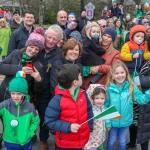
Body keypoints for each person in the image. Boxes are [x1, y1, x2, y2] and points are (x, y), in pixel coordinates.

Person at [45, 64, 93, 150]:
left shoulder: (83, 94)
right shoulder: (57, 100)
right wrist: (68, 127)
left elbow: (89, 110)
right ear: (75, 82)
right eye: (80, 76)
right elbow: (49, 121)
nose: (82, 77)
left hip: (82, 139)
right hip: (65, 143)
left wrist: (90, 127)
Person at [105, 61, 150, 150]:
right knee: (111, 140)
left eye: (122, 72)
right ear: (112, 75)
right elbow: (105, 106)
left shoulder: (131, 87)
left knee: (122, 140)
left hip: (126, 121)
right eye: (116, 73)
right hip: (112, 122)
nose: (120, 75)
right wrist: (107, 122)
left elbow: (141, 100)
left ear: (126, 73)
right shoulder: (108, 88)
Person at [36, 24, 63, 150]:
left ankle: (48, 139)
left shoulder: (59, 53)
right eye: (49, 37)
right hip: (35, 88)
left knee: (47, 116)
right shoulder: (37, 47)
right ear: (45, 36)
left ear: (59, 41)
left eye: (55, 39)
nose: (51, 41)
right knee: (36, 115)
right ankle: (37, 137)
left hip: (50, 90)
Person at [0, 27, 44, 102]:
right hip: (3, 94)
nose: (33, 51)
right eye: (31, 47)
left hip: (20, 101)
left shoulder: (38, 65)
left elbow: (36, 91)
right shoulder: (15, 53)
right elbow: (1, 67)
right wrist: (20, 69)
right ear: (27, 45)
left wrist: (38, 80)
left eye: (37, 49)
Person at [0, 71, 39, 149]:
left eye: (19, 93)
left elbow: (35, 121)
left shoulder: (30, 107)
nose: (15, 96)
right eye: (13, 93)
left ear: (24, 94)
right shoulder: (4, 105)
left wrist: (30, 133)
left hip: (25, 141)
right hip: (9, 140)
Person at [136, 35, 150, 150]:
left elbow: (140, 78)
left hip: (147, 94)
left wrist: (137, 79)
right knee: (144, 128)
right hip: (143, 97)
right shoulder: (144, 57)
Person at [84, 84, 108, 150]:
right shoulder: (89, 110)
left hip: (100, 136)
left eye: (102, 98)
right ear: (92, 98)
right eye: (97, 98)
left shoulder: (103, 107)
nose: (99, 101)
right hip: (91, 139)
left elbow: (105, 118)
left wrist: (108, 124)